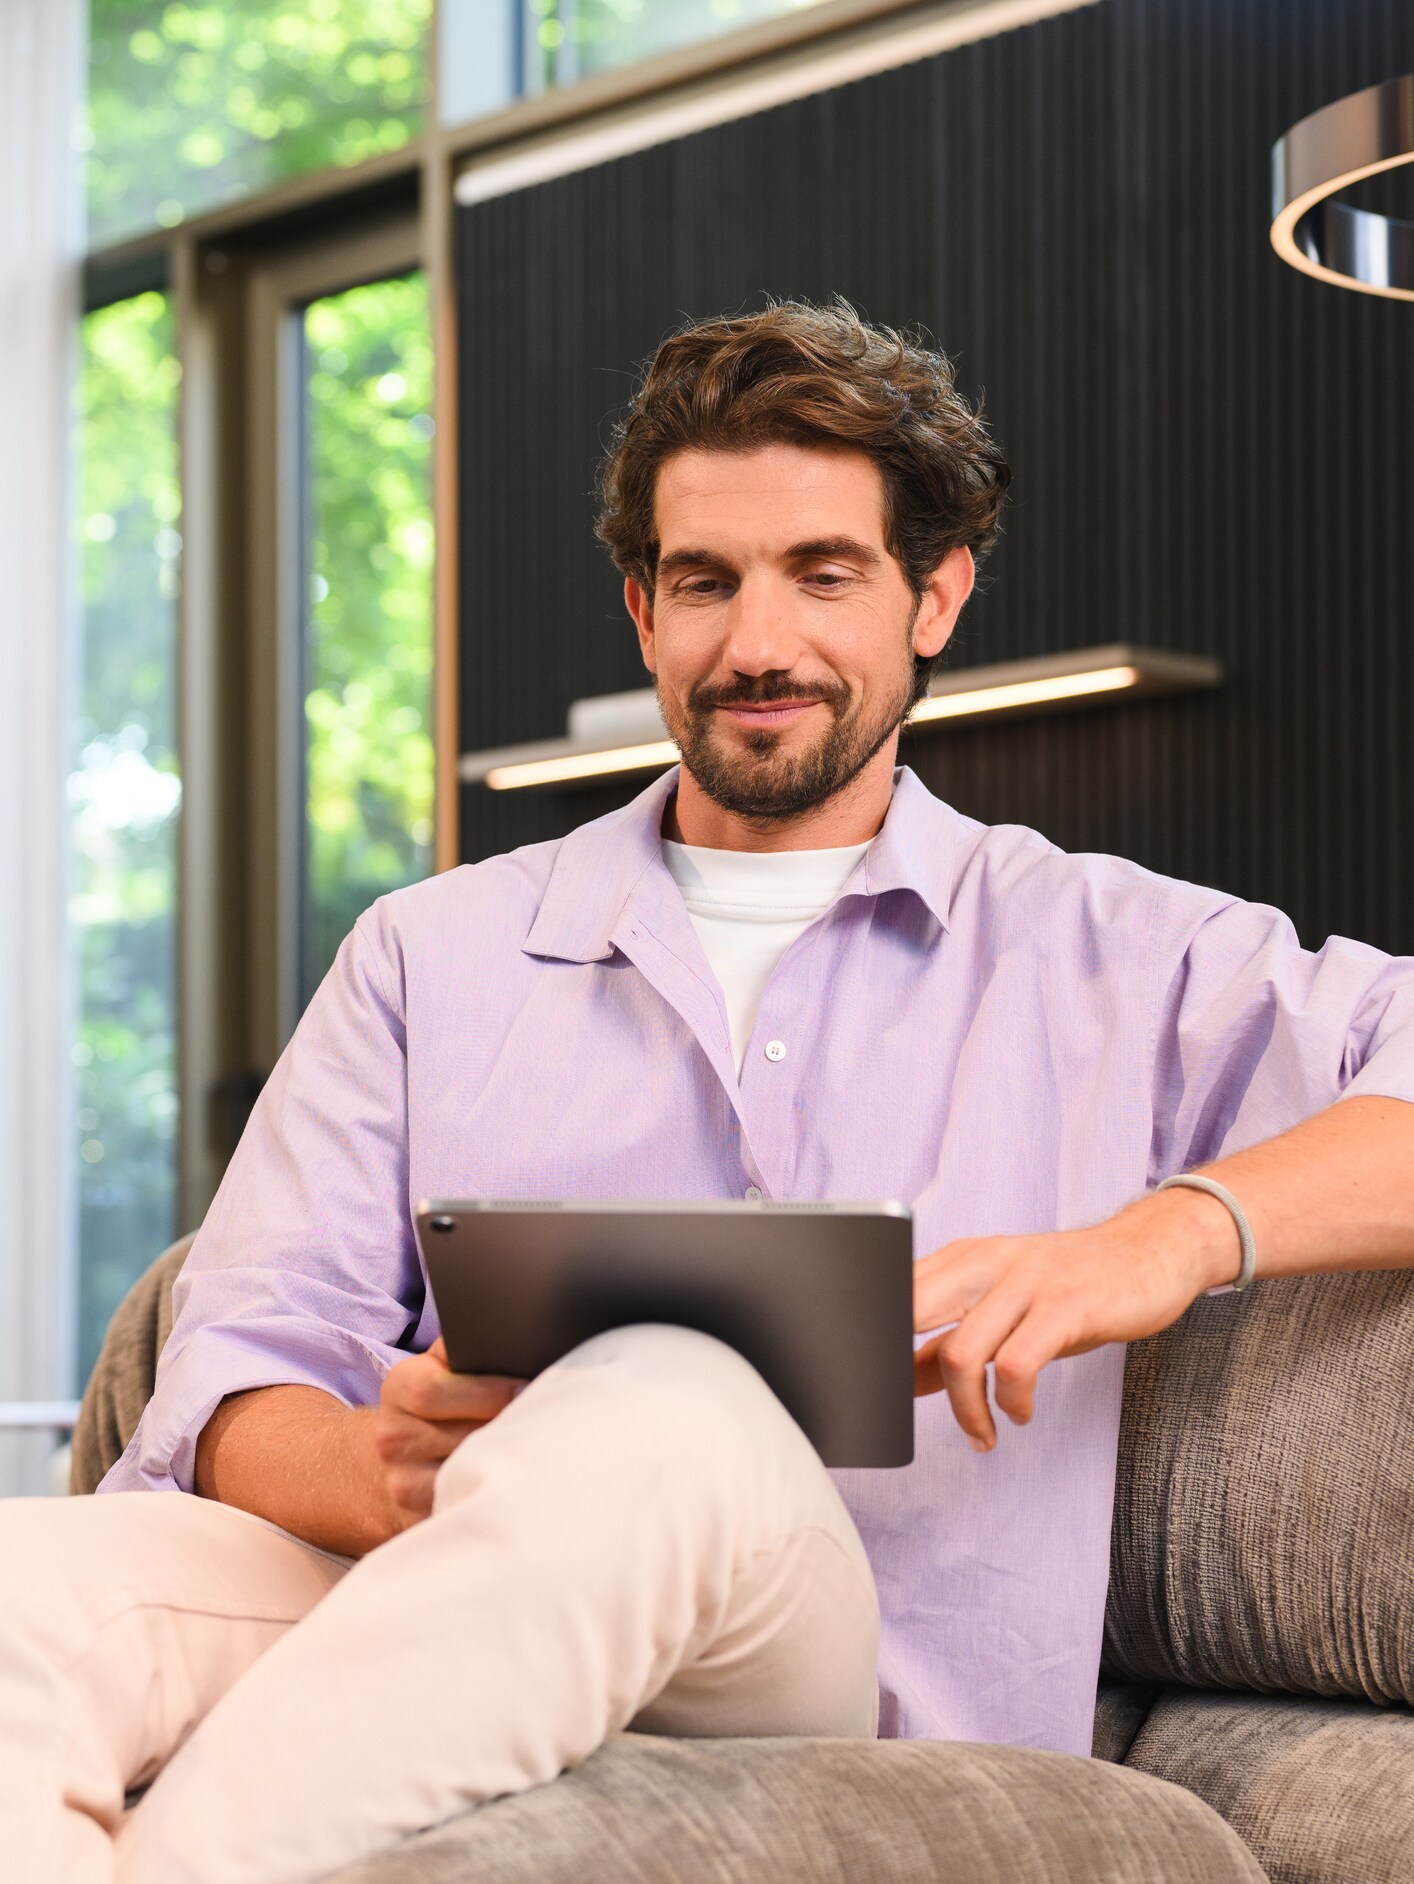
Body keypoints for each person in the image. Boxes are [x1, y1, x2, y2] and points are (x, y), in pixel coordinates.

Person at [6, 300, 1414, 1884]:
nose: (757, 643)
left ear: (930, 599)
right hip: (452, 1575)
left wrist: (1156, 1241)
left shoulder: (1114, 948)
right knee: (24, 1601)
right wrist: (380, 1468)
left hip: (838, 1676)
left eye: (824, 575)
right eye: (704, 582)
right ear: (641, 607)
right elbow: (240, 1367)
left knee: (659, 1399)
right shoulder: (430, 952)